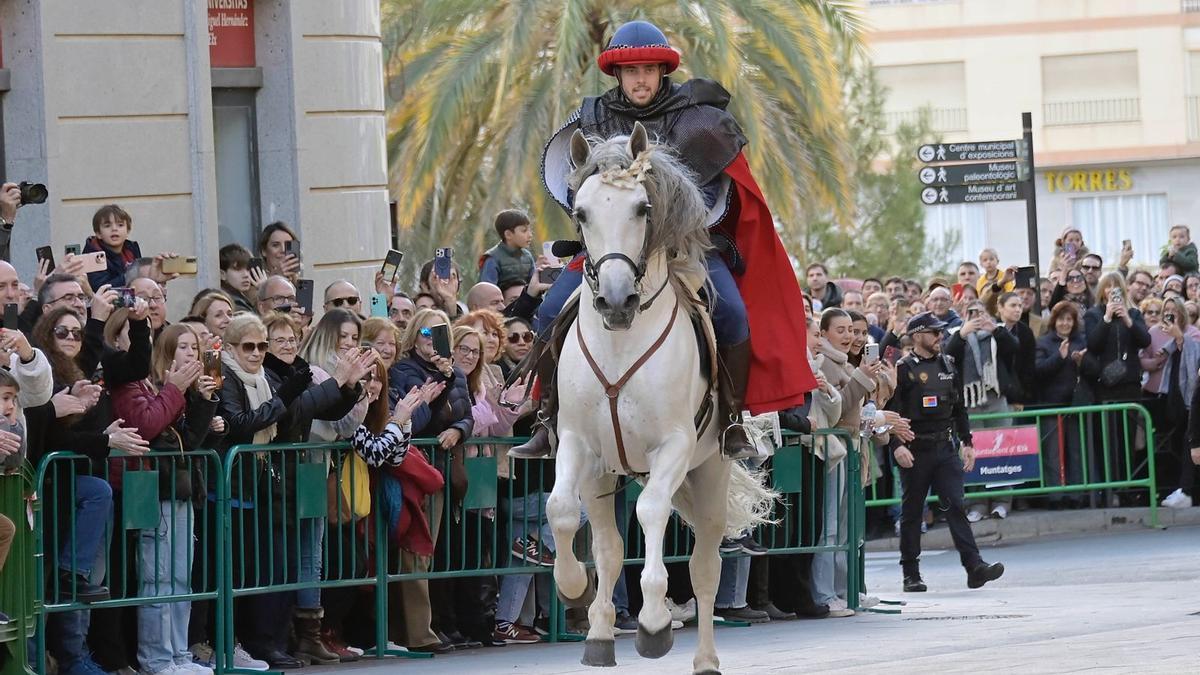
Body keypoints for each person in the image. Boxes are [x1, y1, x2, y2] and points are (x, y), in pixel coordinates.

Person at [528, 18, 816, 460]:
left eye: (648, 69)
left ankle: (732, 421)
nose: (639, 79)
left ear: (662, 72)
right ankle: (549, 420)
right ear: (618, 75)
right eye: (631, 71)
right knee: (548, 313)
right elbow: (577, 189)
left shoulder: (698, 121)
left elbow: (716, 195)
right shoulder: (592, 118)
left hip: (687, 247)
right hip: (613, 250)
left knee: (735, 316)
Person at [110, 324, 225, 675]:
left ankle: (178, 654)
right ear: (165, 352)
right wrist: (176, 390)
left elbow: (187, 442)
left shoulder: (178, 390)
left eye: (195, 347)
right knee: (157, 577)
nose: (191, 354)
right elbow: (149, 428)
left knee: (180, 578)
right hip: (153, 491)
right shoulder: (143, 387)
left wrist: (203, 403)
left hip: (180, 490)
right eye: (183, 347)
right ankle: (157, 658)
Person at [886, 312, 1004, 592]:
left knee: (955, 505)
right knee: (912, 512)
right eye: (933, 332)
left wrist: (968, 443)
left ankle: (974, 566)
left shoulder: (948, 364)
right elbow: (891, 411)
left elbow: (959, 408)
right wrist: (897, 445)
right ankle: (910, 573)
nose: (940, 337)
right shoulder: (902, 369)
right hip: (915, 447)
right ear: (917, 336)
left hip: (945, 446)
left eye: (940, 332)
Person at [1035, 301, 1090, 508]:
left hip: (1076, 404)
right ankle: (1055, 496)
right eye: (1061, 319)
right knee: (1053, 453)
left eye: (1069, 319)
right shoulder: (1043, 342)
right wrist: (1059, 357)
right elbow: (1038, 371)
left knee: (1076, 451)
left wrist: (1081, 361)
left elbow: (1093, 369)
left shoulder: (1082, 341)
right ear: (1054, 321)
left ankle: (1077, 495)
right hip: (1052, 404)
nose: (1065, 323)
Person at [478, 209, 535, 287]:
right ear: (508, 234)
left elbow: (534, 286)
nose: (530, 235)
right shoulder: (493, 258)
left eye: (530, 230)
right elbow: (487, 291)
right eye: (524, 231)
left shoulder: (527, 256)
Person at [219, 244, 258, 313]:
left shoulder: (241, 298)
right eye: (238, 269)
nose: (246, 275)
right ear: (222, 274)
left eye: (248, 269)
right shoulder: (232, 303)